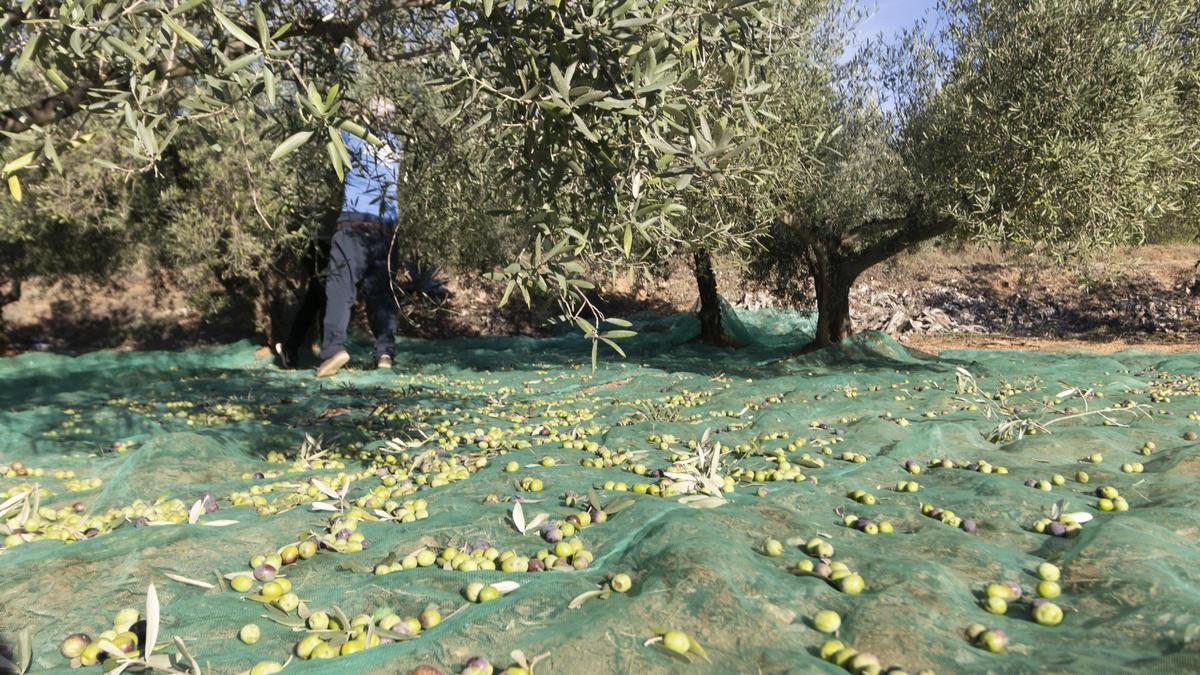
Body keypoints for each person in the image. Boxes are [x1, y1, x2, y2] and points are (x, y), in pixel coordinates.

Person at [283, 126, 402, 378]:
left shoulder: (352, 136)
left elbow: (324, 125)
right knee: (381, 294)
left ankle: (333, 350)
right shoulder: (396, 143)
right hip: (387, 229)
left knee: (339, 288)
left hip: (353, 223)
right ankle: (384, 353)